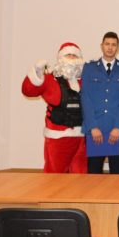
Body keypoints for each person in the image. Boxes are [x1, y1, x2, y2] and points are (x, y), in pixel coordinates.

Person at [21, 42, 87, 173]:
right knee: (55, 175)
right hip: (58, 137)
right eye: (68, 55)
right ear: (60, 58)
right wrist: (37, 73)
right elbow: (28, 91)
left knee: (81, 175)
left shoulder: (85, 80)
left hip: (82, 138)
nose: (71, 58)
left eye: (74, 55)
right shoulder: (50, 79)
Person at [81, 32, 119, 174]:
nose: (110, 47)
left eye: (114, 45)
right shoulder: (89, 68)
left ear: (118, 48)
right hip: (95, 129)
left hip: (116, 130)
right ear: (101, 46)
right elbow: (86, 98)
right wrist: (93, 127)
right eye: (107, 44)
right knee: (94, 172)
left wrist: (118, 127)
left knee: (117, 172)